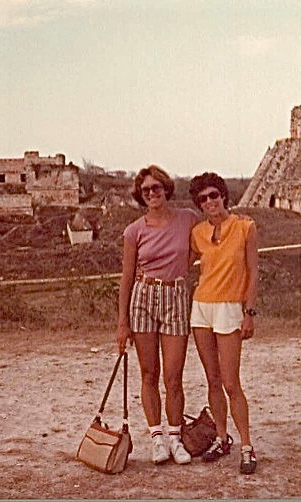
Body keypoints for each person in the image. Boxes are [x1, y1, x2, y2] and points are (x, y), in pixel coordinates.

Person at [117, 165, 198, 465]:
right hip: (143, 297)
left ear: (166, 189)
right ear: (140, 195)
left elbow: (199, 247)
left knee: (173, 376)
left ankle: (175, 437)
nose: (152, 193)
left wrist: (182, 270)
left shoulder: (187, 219)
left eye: (157, 188)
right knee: (149, 373)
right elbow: (126, 277)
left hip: (175, 296)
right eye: (146, 190)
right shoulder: (134, 231)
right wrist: (122, 323)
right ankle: (156, 437)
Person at [188, 172, 259, 475]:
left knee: (231, 382)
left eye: (214, 195)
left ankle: (246, 445)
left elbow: (254, 271)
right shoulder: (198, 233)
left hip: (230, 308)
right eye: (203, 198)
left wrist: (250, 312)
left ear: (224, 196)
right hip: (202, 308)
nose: (210, 202)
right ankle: (221, 437)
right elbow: (179, 261)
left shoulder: (245, 227)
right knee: (213, 380)